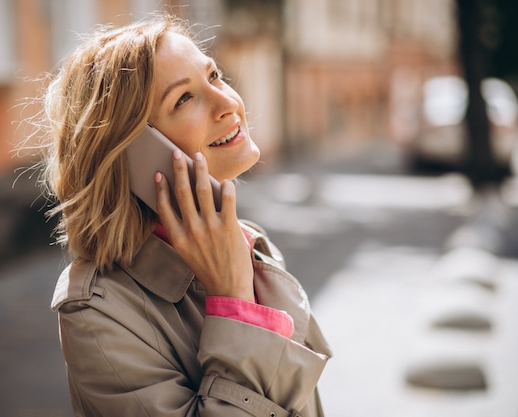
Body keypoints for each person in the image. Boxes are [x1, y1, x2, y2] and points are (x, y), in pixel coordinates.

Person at [37, 13, 331, 417]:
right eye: (184, 98)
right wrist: (233, 301)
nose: (228, 103)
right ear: (133, 154)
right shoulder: (96, 313)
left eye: (214, 76)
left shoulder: (246, 241)